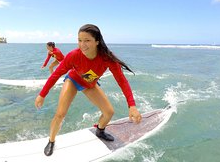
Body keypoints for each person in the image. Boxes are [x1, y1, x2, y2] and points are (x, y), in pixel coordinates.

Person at [35, 24, 142, 156]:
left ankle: (100, 130)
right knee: (60, 114)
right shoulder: (73, 55)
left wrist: (132, 105)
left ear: (97, 41)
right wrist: (42, 94)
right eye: (80, 40)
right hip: (73, 81)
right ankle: (51, 141)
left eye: (87, 40)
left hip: (89, 84)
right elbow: (56, 74)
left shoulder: (107, 59)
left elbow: (122, 81)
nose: (82, 44)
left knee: (109, 112)